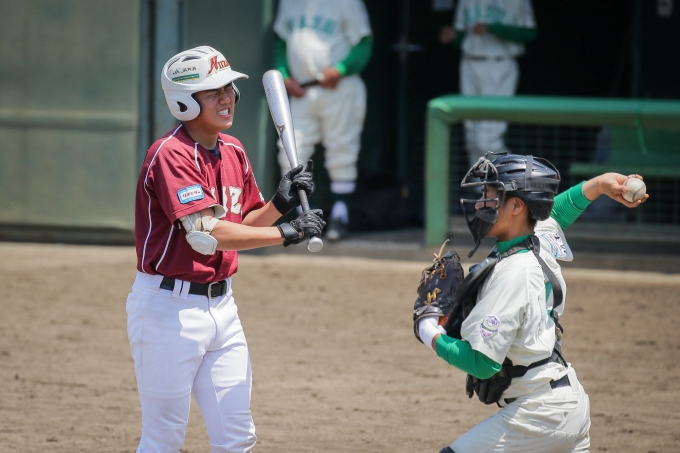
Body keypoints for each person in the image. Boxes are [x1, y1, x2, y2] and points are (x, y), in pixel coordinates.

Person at [126, 46, 325, 453]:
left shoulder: (232, 150)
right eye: (213, 90)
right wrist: (287, 233)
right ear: (184, 101)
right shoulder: (170, 154)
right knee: (164, 438)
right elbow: (207, 233)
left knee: (237, 437)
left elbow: (244, 225)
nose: (227, 97)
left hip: (223, 308)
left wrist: (279, 204)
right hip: (168, 311)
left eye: (229, 88)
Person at [414, 154, 648, 452]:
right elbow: (557, 212)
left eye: (490, 195)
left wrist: (427, 330)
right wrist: (599, 185)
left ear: (516, 206)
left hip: (540, 416)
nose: (481, 204)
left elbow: (482, 363)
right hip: (564, 402)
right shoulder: (535, 237)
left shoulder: (513, 274)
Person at [273, 0, 373, 241]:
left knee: (341, 150)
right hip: (302, 90)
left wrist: (342, 68)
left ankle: (341, 214)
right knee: (290, 153)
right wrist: (284, 75)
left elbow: (364, 43)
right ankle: (306, 217)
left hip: (339, 87)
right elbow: (280, 41)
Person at [440, 0, 537, 167]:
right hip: (469, 63)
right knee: (471, 137)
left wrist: (492, 28)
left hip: (500, 63)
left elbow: (529, 33)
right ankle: (481, 183)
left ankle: (519, 175)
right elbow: (463, 35)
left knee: (488, 140)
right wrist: (453, 36)